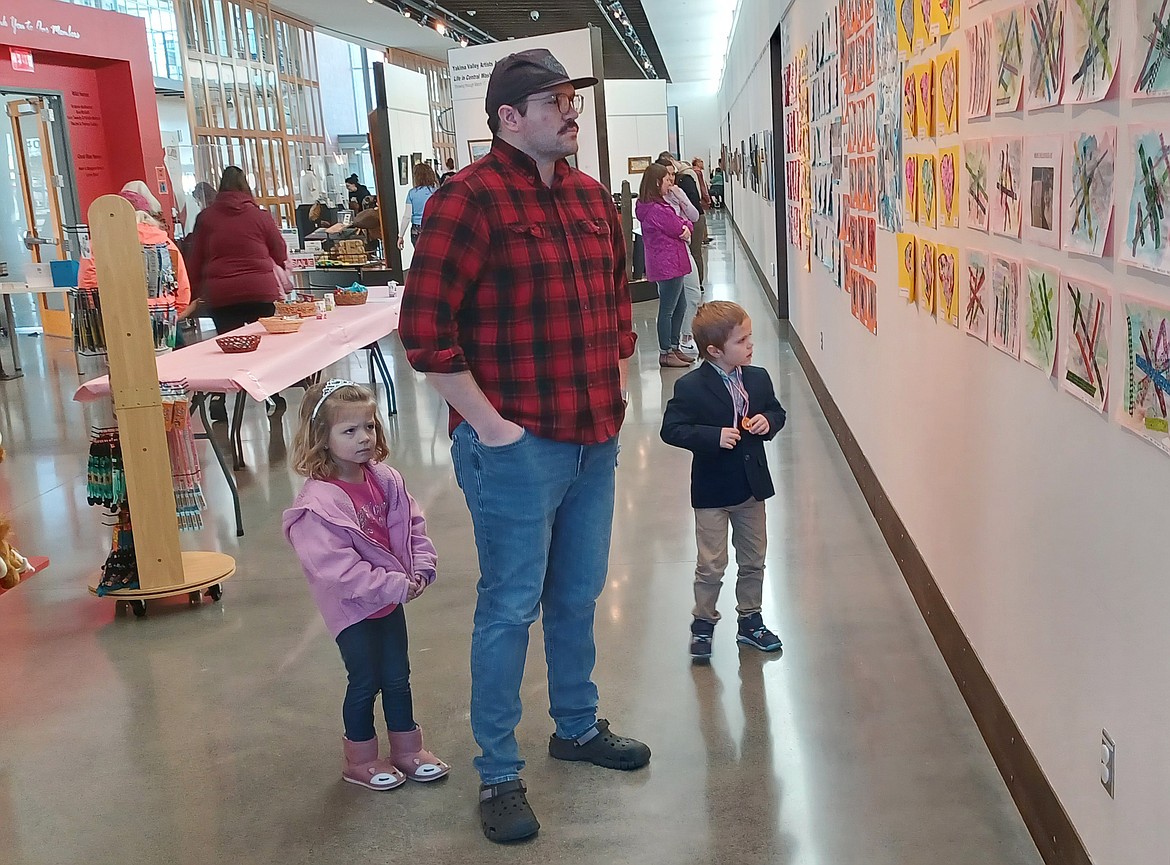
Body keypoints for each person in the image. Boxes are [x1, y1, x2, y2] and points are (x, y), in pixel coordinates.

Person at [398, 47, 650, 844]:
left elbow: (617, 310)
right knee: (509, 607)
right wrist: (495, 428)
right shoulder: (465, 203)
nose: (570, 112)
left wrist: (614, 392)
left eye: (572, 99)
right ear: (508, 117)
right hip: (516, 446)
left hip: (593, 434)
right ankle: (499, 772)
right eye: (554, 101)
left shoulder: (587, 198)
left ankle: (575, 725)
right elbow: (425, 335)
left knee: (575, 596)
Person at [283, 380, 450, 791]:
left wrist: (422, 565)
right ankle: (359, 759)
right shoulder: (317, 504)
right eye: (349, 431)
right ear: (321, 437)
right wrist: (391, 585)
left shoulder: (387, 480)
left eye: (369, 427)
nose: (364, 439)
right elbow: (334, 569)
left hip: (388, 600)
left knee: (398, 676)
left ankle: (407, 750)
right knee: (365, 680)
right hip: (352, 608)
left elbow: (412, 527)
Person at [660, 301, 787, 661]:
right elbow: (672, 429)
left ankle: (750, 620)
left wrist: (768, 422)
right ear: (715, 350)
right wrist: (711, 437)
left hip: (751, 488)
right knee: (711, 564)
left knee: (753, 559)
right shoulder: (691, 386)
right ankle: (703, 623)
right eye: (742, 340)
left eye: (750, 338)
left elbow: (776, 411)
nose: (750, 345)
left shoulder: (757, 377)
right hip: (713, 491)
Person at [185, 166, 289, 419]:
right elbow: (280, 250)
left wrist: (195, 292)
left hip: (222, 294)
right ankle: (271, 396)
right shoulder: (261, 216)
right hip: (260, 292)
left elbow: (195, 258)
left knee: (227, 347)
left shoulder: (206, 218)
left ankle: (219, 399)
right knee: (264, 348)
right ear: (246, 187)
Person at [78, 189, 195, 322]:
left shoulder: (97, 243)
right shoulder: (166, 242)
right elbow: (181, 282)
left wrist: (97, 310)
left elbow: (88, 281)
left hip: (118, 317)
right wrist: (175, 312)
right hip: (164, 314)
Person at [637, 163, 694, 369]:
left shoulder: (657, 206)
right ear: (657, 182)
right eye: (667, 179)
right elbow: (680, 227)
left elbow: (684, 224)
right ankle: (666, 351)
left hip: (672, 262)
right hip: (667, 264)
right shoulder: (655, 209)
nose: (670, 183)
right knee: (668, 309)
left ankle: (674, 346)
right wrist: (685, 227)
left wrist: (685, 226)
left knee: (681, 306)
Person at [397, 163, 438, 251]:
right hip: (434, 227)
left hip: (417, 229)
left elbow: (407, 217)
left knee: (420, 257)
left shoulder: (412, 193)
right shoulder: (437, 192)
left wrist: (401, 236)